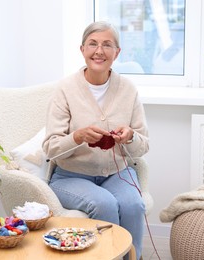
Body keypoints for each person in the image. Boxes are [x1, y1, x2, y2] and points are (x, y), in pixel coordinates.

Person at [42, 21, 149, 259]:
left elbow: (143, 145)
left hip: (117, 173)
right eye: (92, 44)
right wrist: (77, 137)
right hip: (70, 176)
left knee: (134, 205)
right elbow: (50, 148)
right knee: (105, 204)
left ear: (117, 52)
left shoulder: (128, 89)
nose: (99, 51)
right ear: (82, 50)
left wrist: (130, 137)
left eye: (107, 45)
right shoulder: (65, 89)